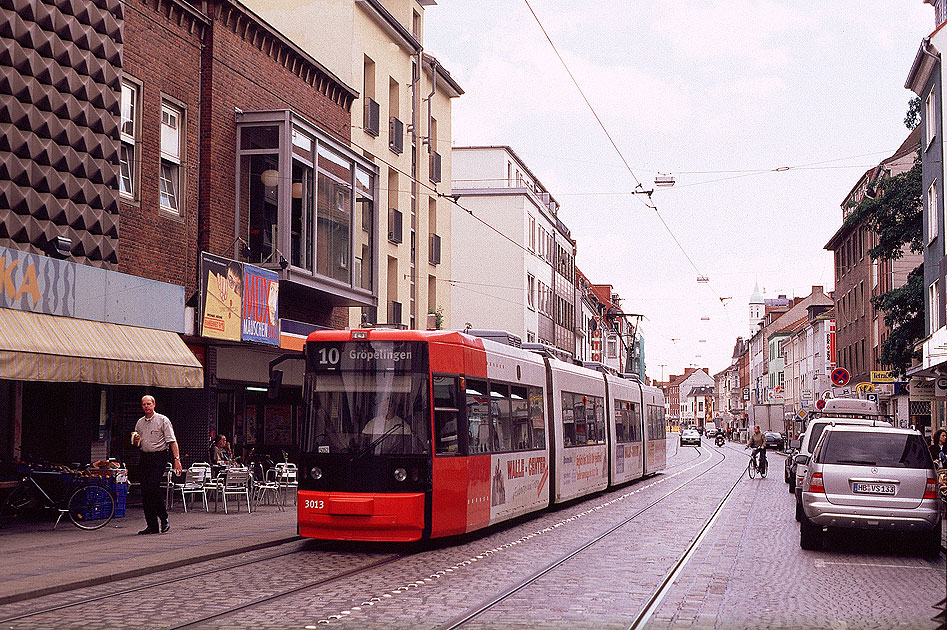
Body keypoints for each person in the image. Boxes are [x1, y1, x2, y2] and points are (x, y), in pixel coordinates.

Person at [133, 395, 182, 534]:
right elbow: (137, 443)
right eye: (144, 404)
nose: (146, 407)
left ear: (154, 404)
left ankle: (164, 517)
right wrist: (135, 441)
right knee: (145, 492)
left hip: (159, 457)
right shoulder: (140, 423)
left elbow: (172, 441)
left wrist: (176, 459)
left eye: (148, 404)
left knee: (153, 487)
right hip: (145, 457)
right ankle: (152, 525)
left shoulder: (163, 420)